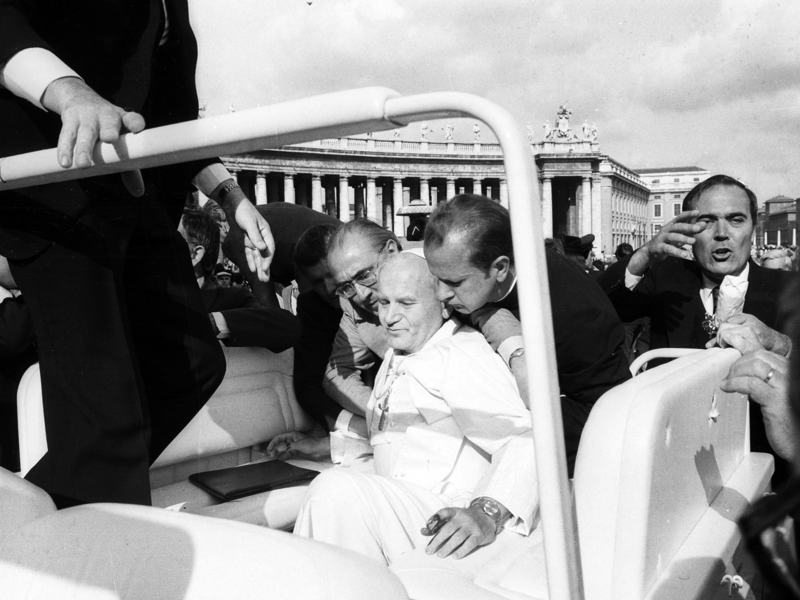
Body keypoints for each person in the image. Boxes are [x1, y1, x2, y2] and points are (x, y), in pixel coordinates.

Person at [0, 0, 272, 506]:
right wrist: (69, 93)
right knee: (106, 417)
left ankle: (26, 515)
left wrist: (227, 195)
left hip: (132, 188)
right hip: (52, 186)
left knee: (193, 360)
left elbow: (173, 110)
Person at [274, 252, 537, 565]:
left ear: (442, 301)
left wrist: (485, 512)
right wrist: (327, 446)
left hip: (448, 520)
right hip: (405, 507)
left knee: (333, 491)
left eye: (406, 303)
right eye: (384, 303)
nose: (389, 317)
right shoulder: (399, 353)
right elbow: (397, 437)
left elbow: (528, 437)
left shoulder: (460, 354)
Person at [597, 174, 795, 484]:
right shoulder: (664, 277)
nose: (721, 234)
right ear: (689, 232)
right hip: (674, 465)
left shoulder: (790, 290)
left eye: (735, 220)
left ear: (753, 228)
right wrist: (644, 255)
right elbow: (599, 310)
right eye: (707, 222)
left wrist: (781, 343)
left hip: (762, 469)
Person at [423, 195, 631, 475]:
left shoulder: (576, 313)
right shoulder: (463, 267)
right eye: (435, 278)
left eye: (453, 282)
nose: (439, 294)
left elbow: (604, 415)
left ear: (499, 268)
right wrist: (498, 327)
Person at [179, 210, 300, 352]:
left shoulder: (231, 299)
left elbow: (287, 328)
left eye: (166, 240)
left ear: (195, 255)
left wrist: (210, 322)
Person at [322, 220, 399, 427]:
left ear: (391, 251)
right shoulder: (353, 306)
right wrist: (384, 413)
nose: (362, 295)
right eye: (346, 286)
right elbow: (337, 375)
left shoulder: (443, 278)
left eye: (365, 275)